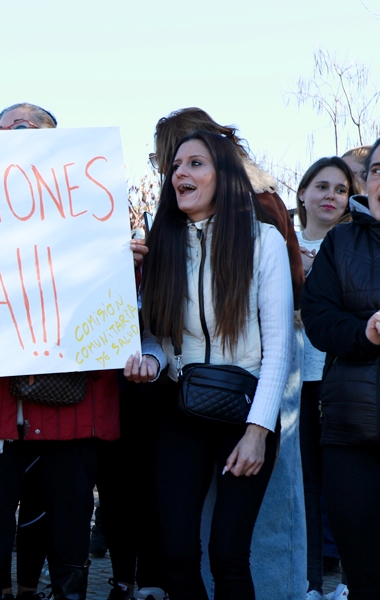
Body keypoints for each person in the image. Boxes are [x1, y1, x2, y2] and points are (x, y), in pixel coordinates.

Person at [0, 102, 120, 600]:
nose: (17, 135)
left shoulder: (92, 211)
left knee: (70, 513)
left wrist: (123, 263)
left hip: (71, 399)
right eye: (6, 128)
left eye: (29, 128)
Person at [127, 130, 293, 599]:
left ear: (223, 175)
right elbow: (159, 338)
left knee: (228, 557)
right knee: (176, 557)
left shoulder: (265, 242)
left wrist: (258, 432)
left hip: (247, 413)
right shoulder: (162, 242)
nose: (180, 172)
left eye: (195, 163)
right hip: (180, 414)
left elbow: (279, 346)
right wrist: (151, 362)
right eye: (176, 166)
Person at [300, 137, 380, 599]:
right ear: (365, 184)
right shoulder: (342, 243)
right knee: (365, 572)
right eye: (376, 170)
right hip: (353, 436)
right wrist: (364, 334)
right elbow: (319, 317)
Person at [295, 157, 359, 600]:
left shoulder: (358, 247)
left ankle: (353, 583)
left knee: (348, 486)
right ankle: (310, 583)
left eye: (340, 189)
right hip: (295, 381)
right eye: (321, 186)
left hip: (341, 379)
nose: (330, 196)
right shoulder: (280, 245)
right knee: (306, 485)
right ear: (302, 194)